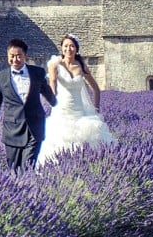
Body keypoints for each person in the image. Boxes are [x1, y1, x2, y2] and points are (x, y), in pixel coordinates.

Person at [36, 33, 116, 165]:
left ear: (76, 48)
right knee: (59, 142)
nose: (69, 49)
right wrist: (53, 93)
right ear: (62, 48)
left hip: (80, 111)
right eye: (66, 46)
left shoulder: (81, 65)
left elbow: (96, 88)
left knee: (87, 140)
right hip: (62, 110)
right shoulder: (55, 64)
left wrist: (96, 108)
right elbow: (53, 86)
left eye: (72, 46)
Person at [0, 38, 57, 170]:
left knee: (28, 167)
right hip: (12, 131)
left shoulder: (37, 73)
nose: (15, 59)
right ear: (7, 56)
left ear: (25, 56)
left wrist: (60, 105)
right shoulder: (1, 76)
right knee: (14, 170)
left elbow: (48, 93)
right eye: (12, 56)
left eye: (19, 56)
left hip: (35, 127)